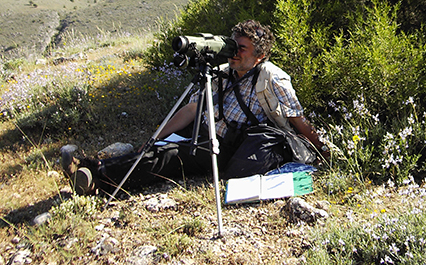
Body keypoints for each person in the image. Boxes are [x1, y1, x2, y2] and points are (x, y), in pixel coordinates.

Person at [62, 20, 329, 196]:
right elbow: (191, 109)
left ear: (259, 54)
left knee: (170, 156)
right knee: (160, 148)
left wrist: (322, 150)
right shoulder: (223, 72)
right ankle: (98, 169)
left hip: (234, 146)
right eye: (232, 46)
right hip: (207, 131)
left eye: (242, 49)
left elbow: (297, 118)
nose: (234, 53)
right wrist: (154, 136)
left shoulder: (272, 77)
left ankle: (97, 176)